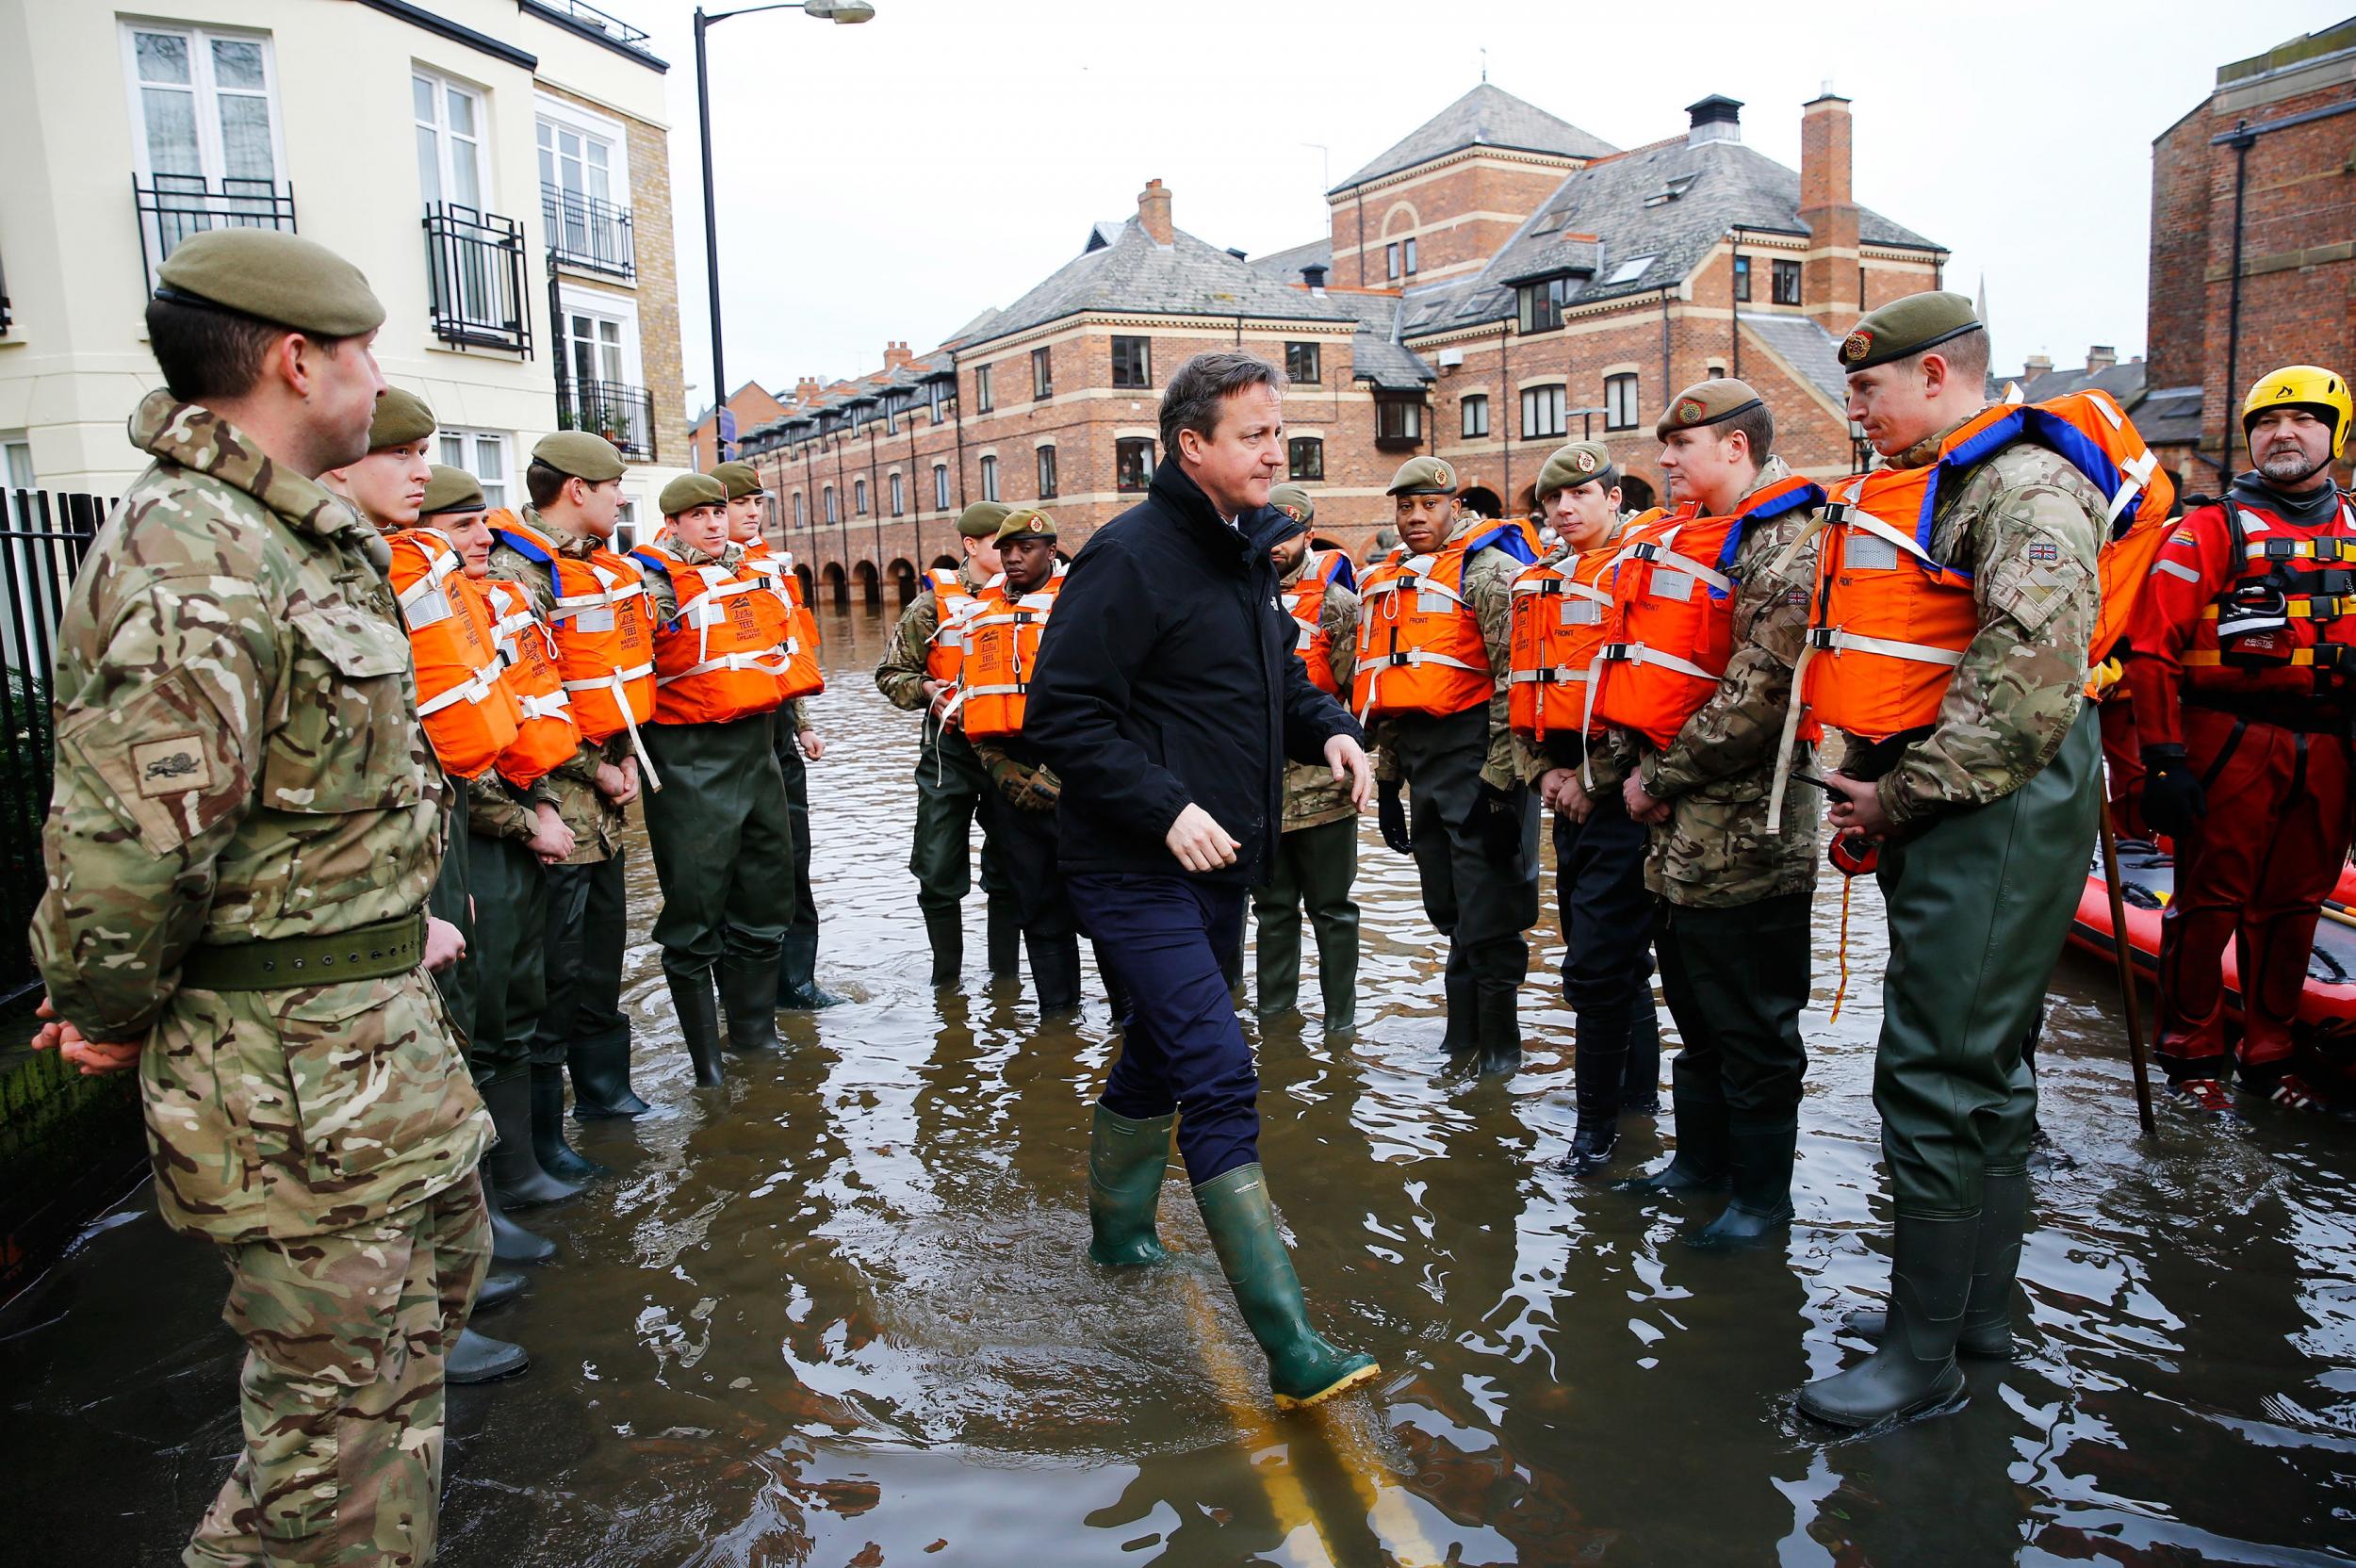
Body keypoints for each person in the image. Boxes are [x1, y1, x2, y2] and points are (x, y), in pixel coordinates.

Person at [29, 228, 490, 1564]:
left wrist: (398, 921)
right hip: (292, 1085)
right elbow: (132, 849)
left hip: (369, 1053)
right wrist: (103, 1009)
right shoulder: (197, 553)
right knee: (338, 1436)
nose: (381, 378)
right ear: (298, 360)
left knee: (383, 1387)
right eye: (365, 354)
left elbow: (310, 798)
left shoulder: (289, 535)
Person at [1025, 350, 1380, 1412]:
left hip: (1220, 860)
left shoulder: (1238, 556)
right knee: (1220, 1069)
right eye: (1251, 434)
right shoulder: (1127, 558)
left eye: (1279, 431)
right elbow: (1061, 716)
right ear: (1191, 446)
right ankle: (1292, 1348)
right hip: (1132, 863)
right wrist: (1165, 805)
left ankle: (1120, 1232)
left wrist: (1334, 732)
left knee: (1166, 1050)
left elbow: (1275, 677)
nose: (1275, 449)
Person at [1796, 292, 2114, 1428]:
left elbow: (2027, 687)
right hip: (1971, 796)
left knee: (1934, 1070)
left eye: (1870, 387)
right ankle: (1970, 1315)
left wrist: (1893, 796)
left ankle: (1920, 1356)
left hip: (1990, 800)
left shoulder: (2018, 484)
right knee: (1986, 1065)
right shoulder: (1955, 481)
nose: (1856, 408)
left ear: (1939, 377)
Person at [326, 417, 540, 1382]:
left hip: (426, 840)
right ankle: (417, 1329)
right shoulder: (318, 568)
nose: (420, 471)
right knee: (391, 1101)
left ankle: (445, 1295)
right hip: (349, 903)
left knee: (453, 1048)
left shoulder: (384, 565)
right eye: (400, 453)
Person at [1593, 379, 1824, 1250]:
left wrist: (1660, 779)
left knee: (1754, 1021)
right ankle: (1699, 1165)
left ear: (1735, 448)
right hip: (1683, 833)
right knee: (1694, 1007)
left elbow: (1758, 697)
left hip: (1751, 830)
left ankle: (1762, 1203)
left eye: (1680, 446)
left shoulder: (1787, 545)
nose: (1663, 461)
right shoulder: (1704, 540)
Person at [2127, 364, 2354, 1112]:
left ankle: (2270, 1054)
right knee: (2211, 902)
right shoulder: (2208, 529)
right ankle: (2193, 1059)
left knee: (2295, 905)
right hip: (2228, 742)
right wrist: (2162, 759)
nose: (2282, 434)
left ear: (2337, 433)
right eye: (2264, 423)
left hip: (2329, 748)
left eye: (2303, 421)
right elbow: (2153, 652)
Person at [488, 434, 655, 1141]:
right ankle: (541, 1141)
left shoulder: (603, 569)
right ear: (577, 489)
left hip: (607, 810)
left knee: (599, 961)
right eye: (615, 484)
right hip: (555, 808)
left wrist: (619, 766)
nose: (623, 496)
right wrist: (598, 769)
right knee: (551, 976)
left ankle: (604, 1097)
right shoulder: (519, 573)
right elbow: (527, 695)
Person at [1357, 455, 1540, 1075]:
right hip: (1423, 762)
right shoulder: (1397, 581)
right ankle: (1461, 1039)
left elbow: (1515, 679)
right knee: (1450, 908)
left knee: (1490, 910)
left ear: (1454, 505)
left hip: (1479, 765)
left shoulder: (1488, 575)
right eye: (1404, 507)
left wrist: (1500, 779)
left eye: (1427, 505)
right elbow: (1392, 690)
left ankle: (1501, 1052)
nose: (1414, 518)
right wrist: (1387, 784)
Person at [1509, 441, 1662, 1176]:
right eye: (1552, 501)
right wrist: (1544, 771)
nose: (1565, 509)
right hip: (1567, 793)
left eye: (1581, 495)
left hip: (1623, 797)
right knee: (1609, 963)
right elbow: (1530, 693)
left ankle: (1596, 1131)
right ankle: (1638, 1105)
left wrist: (1590, 780)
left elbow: (1655, 699)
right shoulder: (1543, 583)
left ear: (1613, 498)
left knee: (1601, 968)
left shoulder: (1646, 569)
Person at [631, 472, 795, 1083]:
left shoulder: (753, 571)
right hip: (689, 760)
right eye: (697, 515)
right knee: (695, 910)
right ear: (672, 523)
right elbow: (627, 665)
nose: (713, 524)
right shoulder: (650, 580)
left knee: (764, 895)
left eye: (718, 513)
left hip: (756, 755)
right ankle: (707, 1068)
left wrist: (796, 723)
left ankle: (755, 1037)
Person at [875, 499, 1022, 986]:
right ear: (971, 546)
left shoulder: (1030, 596)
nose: (1010, 552)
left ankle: (1006, 981)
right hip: (950, 752)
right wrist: (925, 690)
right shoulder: (929, 607)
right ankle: (947, 983)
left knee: (1009, 871)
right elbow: (890, 675)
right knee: (937, 870)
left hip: (1009, 751)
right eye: (1000, 544)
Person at [715, 458, 842, 1008]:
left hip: (777, 735)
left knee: (794, 857)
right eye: (734, 504)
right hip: (724, 742)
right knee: (732, 866)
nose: (747, 513)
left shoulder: (772, 571)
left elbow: (783, 655)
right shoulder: (683, 573)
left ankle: (797, 982)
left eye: (754, 503)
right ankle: (739, 988)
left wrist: (803, 724)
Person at [960, 508, 1085, 1012]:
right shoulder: (980, 612)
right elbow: (973, 698)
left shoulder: (1081, 604)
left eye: (1026, 549)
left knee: (1101, 904)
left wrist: (1058, 775)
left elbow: (1110, 700)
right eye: (1005, 549)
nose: (1013, 558)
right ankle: (1058, 1022)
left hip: (1077, 776)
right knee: (1036, 905)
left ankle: (1128, 1022)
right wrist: (997, 767)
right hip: (1008, 776)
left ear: (1051, 551)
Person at [1252, 482, 1364, 1031]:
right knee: (1272, 912)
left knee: (1333, 911)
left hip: (1324, 787)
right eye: (1268, 529)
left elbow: (1349, 691)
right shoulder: (1241, 592)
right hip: (1259, 786)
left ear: (1308, 536)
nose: (1276, 543)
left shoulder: (1339, 606)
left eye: (1288, 533)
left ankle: (1339, 1025)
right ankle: (1275, 1024)